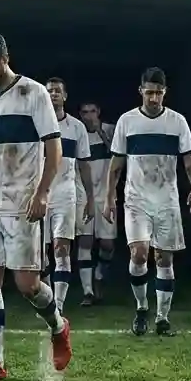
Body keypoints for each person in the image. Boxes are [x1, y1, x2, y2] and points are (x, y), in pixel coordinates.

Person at [0, 29, 72, 381]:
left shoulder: (34, 93)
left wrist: (42, 194)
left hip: (23, 201)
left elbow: (53, 148)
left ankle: (58, 325)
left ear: (4, 59)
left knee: (28, 284)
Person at [103, 67, 191, 337]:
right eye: (150, 93)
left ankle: (162, 317)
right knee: (139, 253)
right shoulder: (127, 121)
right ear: (141, 92)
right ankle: (142, 307)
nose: (154, 98)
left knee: (164, 257)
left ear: (165, 92)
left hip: (166, 198)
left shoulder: (177, 122)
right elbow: (116, 162)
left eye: (158, 93)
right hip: (136, 199)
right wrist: (109, 195)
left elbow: (189, 159)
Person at [43, 77, 94, 315]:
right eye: (49, 91)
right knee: (40, 254)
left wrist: (91, 199)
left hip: (65, 194)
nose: (53, 94)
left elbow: (84, 165)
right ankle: (45, 301)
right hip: (39, 194)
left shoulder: (77, 128)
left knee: (61, 249)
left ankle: (58, 306)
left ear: (65, 96)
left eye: (57, 91)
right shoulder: (35, 125)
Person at [76, 102, 116, 305]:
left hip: (106, 194)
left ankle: (99, 276)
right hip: (83, 194)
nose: (88, 116)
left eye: (92, 111)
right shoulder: (77, 133)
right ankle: (88, 292)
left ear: (98, 112)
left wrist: (99, 130)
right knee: (85, 241)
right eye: (84, 112)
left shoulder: (110, 130)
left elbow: (117, 153)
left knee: (107, 245)